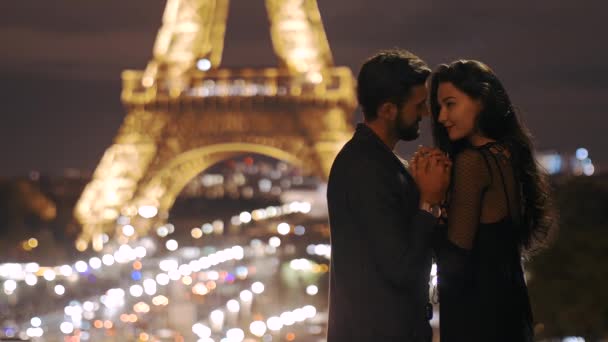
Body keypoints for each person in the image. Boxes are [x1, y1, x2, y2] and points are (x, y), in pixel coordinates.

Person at [422, 59, 555, 341]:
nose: (442, 117)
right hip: (511, 309)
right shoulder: (507, 155)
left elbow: (454, 259)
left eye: (450, 104)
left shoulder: (472, 163)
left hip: (477, 317)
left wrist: (428, 202)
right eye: (439, 107)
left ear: (481, 100)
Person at [326, 49, 451, 341]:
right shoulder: (365, 169)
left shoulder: (378, 163)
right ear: (388, 110)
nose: (425, 113)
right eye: (418, 105)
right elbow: (402, 269)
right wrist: (428, 201)